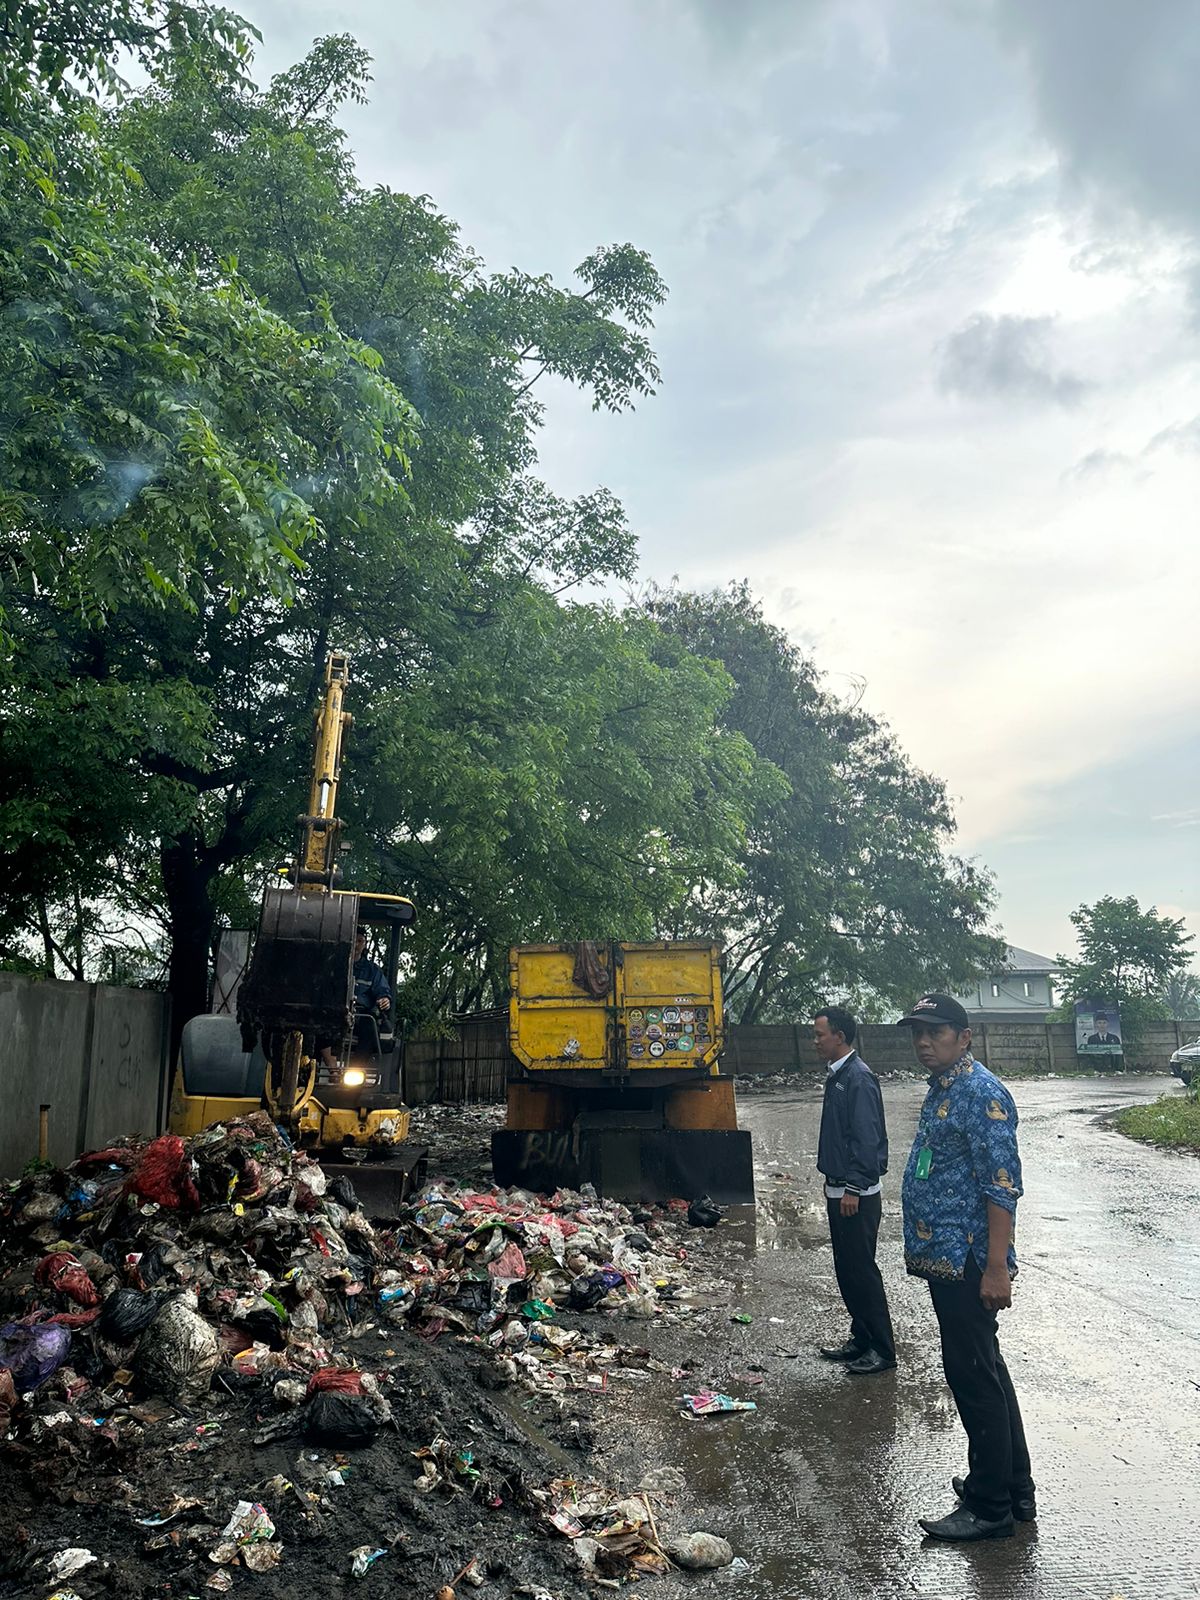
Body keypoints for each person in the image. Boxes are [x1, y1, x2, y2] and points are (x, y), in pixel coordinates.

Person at [897, 993, 1034, 1542]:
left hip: (969, 1259)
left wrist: (996, 1268)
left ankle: (989, 1506)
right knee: (986, 1369)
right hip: (949, 1258)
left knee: (973, 1377)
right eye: (919, 1034)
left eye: (937, 1032)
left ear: (965, 1035)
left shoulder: (980, 1093)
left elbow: (1002, 1186)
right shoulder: (944, 1089)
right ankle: (1014, 1488)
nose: (925, 1042)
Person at [813, 1006, 895, 1376]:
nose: (816, 1041)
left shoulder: (858, 1078)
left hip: (855, 1195)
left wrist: (853, 1188)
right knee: (846, 1270)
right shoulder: (839, 1075)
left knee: (861, 1271)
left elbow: (867, 1137)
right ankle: (860, 1339)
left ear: (840, 1037)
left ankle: (882, 1349)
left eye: (820, 1034)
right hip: (840, 1190)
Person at [321, 930, 391, 1067]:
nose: (356, 944)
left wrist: (384, 999)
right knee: (321, 1026)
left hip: (361, 1015)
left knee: (370, 1027)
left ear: (364, 944)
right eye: (354, 940)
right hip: (335, 1012)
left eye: (360, 941)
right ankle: (333, 1069)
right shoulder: (334, 965)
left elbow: (382, 990)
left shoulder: (372, 970)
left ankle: (356, 1070)